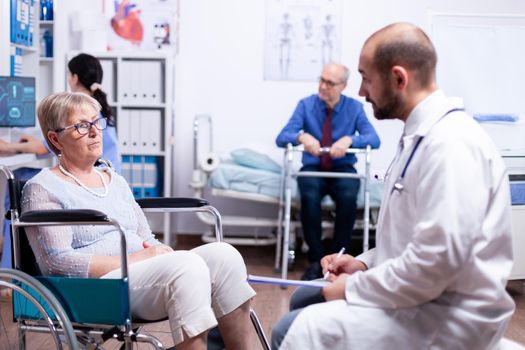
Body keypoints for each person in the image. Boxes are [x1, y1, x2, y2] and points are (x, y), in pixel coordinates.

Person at [271, 22, 515, 349]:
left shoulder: (451, 146)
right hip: (419, 295)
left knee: (290, 328)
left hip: (446, 317)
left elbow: (435, 264)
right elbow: (411, 239)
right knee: (306, 296)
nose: (360, 91)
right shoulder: (418, 137)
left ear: (399, 79)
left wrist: (353, 287)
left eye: (366, 79)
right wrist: (364, 262)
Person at [22, 92, 256, 350]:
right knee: (187, 265)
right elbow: (56, 262)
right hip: (95, 289)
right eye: (81, 126)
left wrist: (160, 253)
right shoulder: (43, 188)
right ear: (55, 139)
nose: (94, 132)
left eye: (95, 122)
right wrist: (136, 259)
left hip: (136, 275)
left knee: (225, 256)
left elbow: (146, 238)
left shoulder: (114, 180)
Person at [0, 53, 121, 269]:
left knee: (17, 188)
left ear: (74, 77)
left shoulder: (75, 111)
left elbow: (44, 146)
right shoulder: (100, 110)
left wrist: (9, 147)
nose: (92, 130)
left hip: (91, 186)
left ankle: (11, 268)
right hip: (103, 186)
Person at [275, 62, 380, 280]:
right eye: (321, 80)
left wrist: (351, 139)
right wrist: (301, 136)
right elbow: (282, 137)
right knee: (309, 195)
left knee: (348, 197)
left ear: (343, 85)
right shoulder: (305, 105)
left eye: (330, 83)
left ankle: (338, 257)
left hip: (343, 169)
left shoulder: (354, 108)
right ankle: (315, 260)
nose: (323, 86)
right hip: (313, 167)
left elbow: (374, 139)